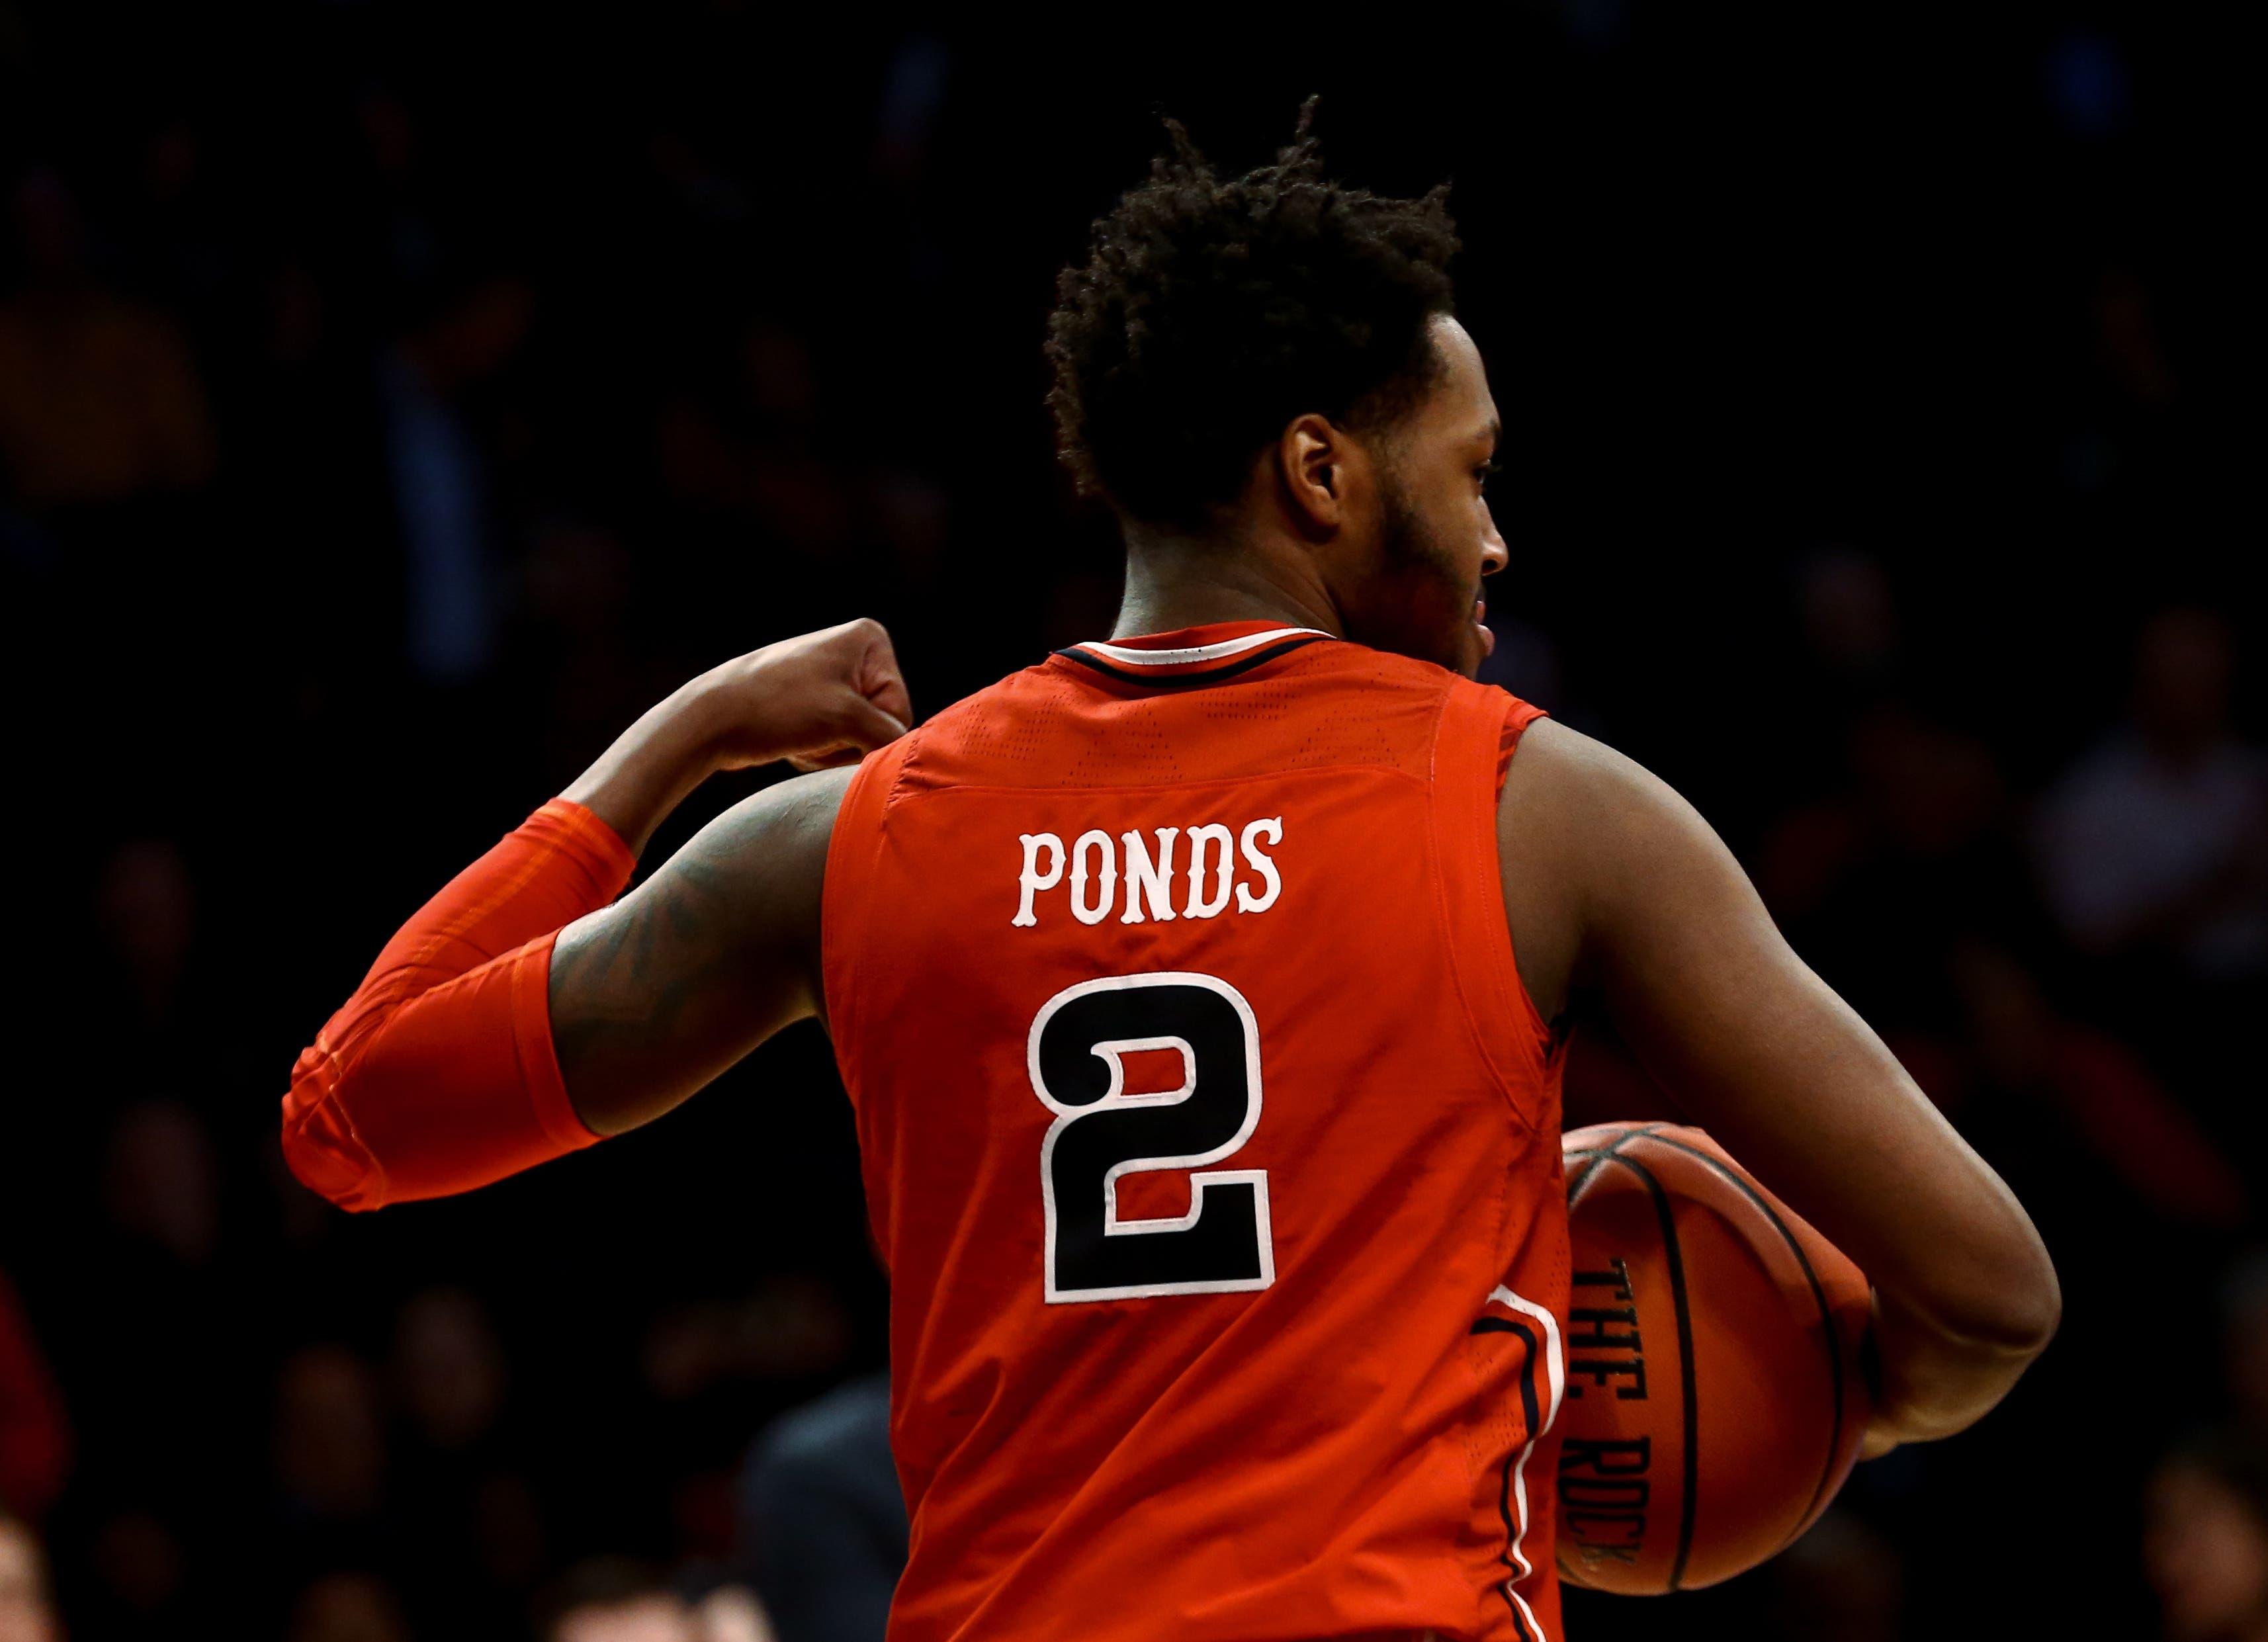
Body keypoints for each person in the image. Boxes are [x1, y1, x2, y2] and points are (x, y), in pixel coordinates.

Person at [281, 112, 2060, 1641]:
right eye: (1474, 473)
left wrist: (679, 738)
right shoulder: (1540, 808)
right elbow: (1986, 1296)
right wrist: (1776, 1398)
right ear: (1317, 470)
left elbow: (351, 1113)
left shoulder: (852, 833)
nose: (1500, 534)